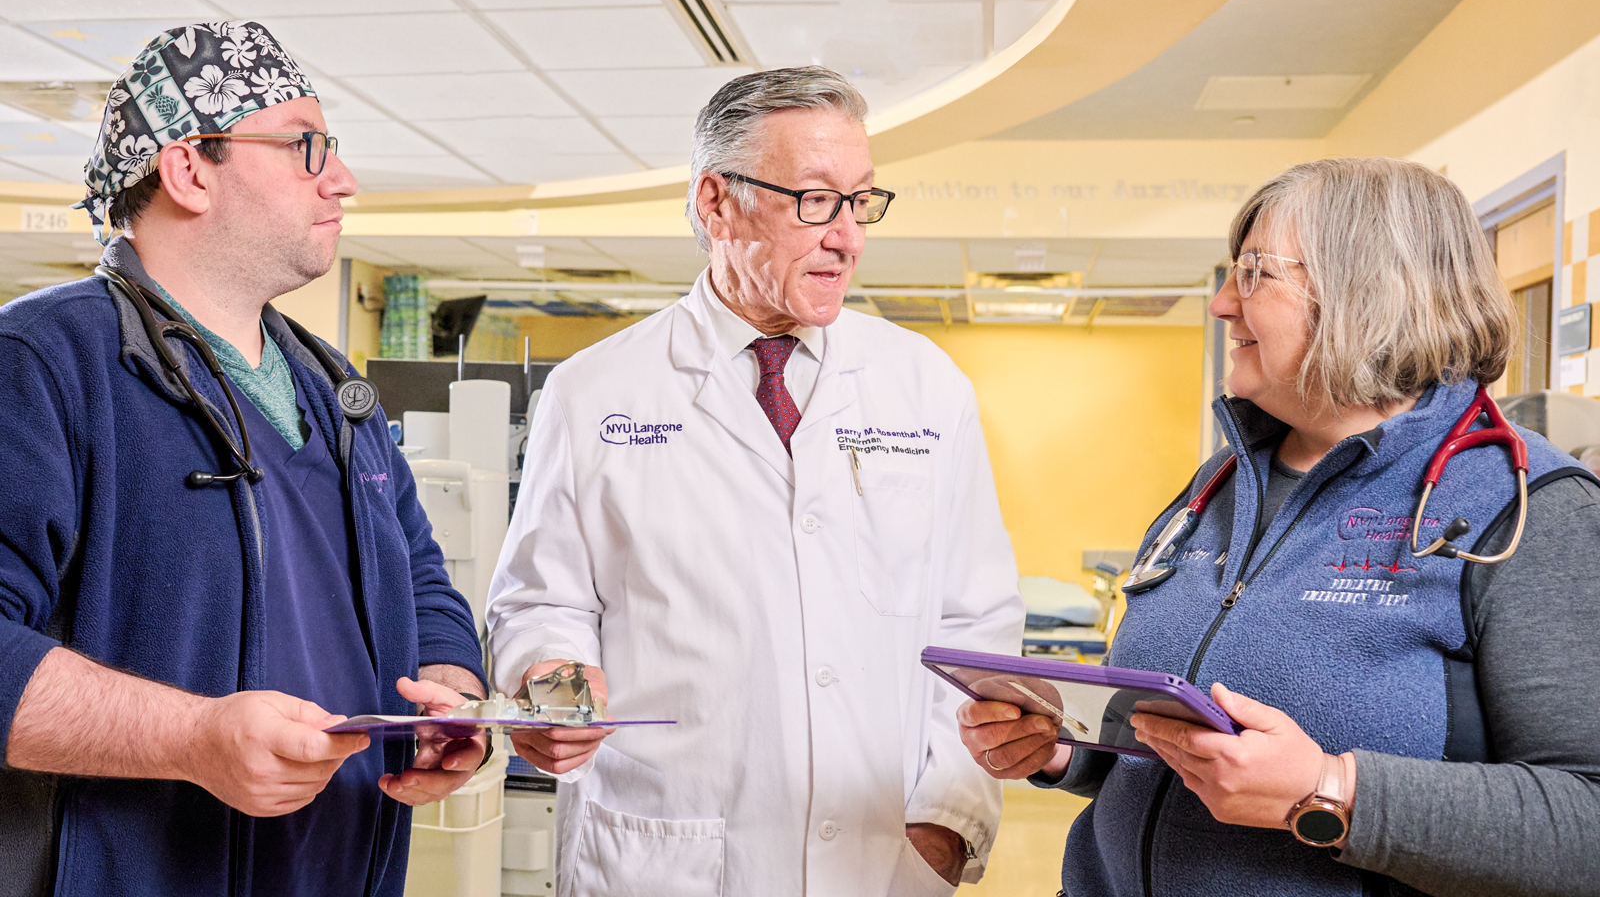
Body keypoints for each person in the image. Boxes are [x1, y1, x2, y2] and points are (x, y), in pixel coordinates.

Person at [959, 157, 1600, 897]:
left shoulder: (1531, 513)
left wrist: (1331, 791)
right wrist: (1063, 754)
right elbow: (1174, 745)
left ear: (1370, 290)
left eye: (1257, 273)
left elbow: (1586, 821)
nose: (1223, 304)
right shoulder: (1220, 484)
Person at [486, 67, 1024, 896]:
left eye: (862, 201)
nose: (848, 236)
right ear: (715, 203)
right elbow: (540, 602)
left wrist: (946, 823)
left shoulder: (925, 386)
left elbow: (977, 625)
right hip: (663, 854)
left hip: (883, 859)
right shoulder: (598, 391)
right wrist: (555, 693)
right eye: (814, 200)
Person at [0, 21, 488, 897]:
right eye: (307, 147)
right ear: (190, 170)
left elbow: (418, 575)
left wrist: (450, 691)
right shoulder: (42, 364)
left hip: (343, 864)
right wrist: (191, 738)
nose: (341, 179)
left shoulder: (331, 389)